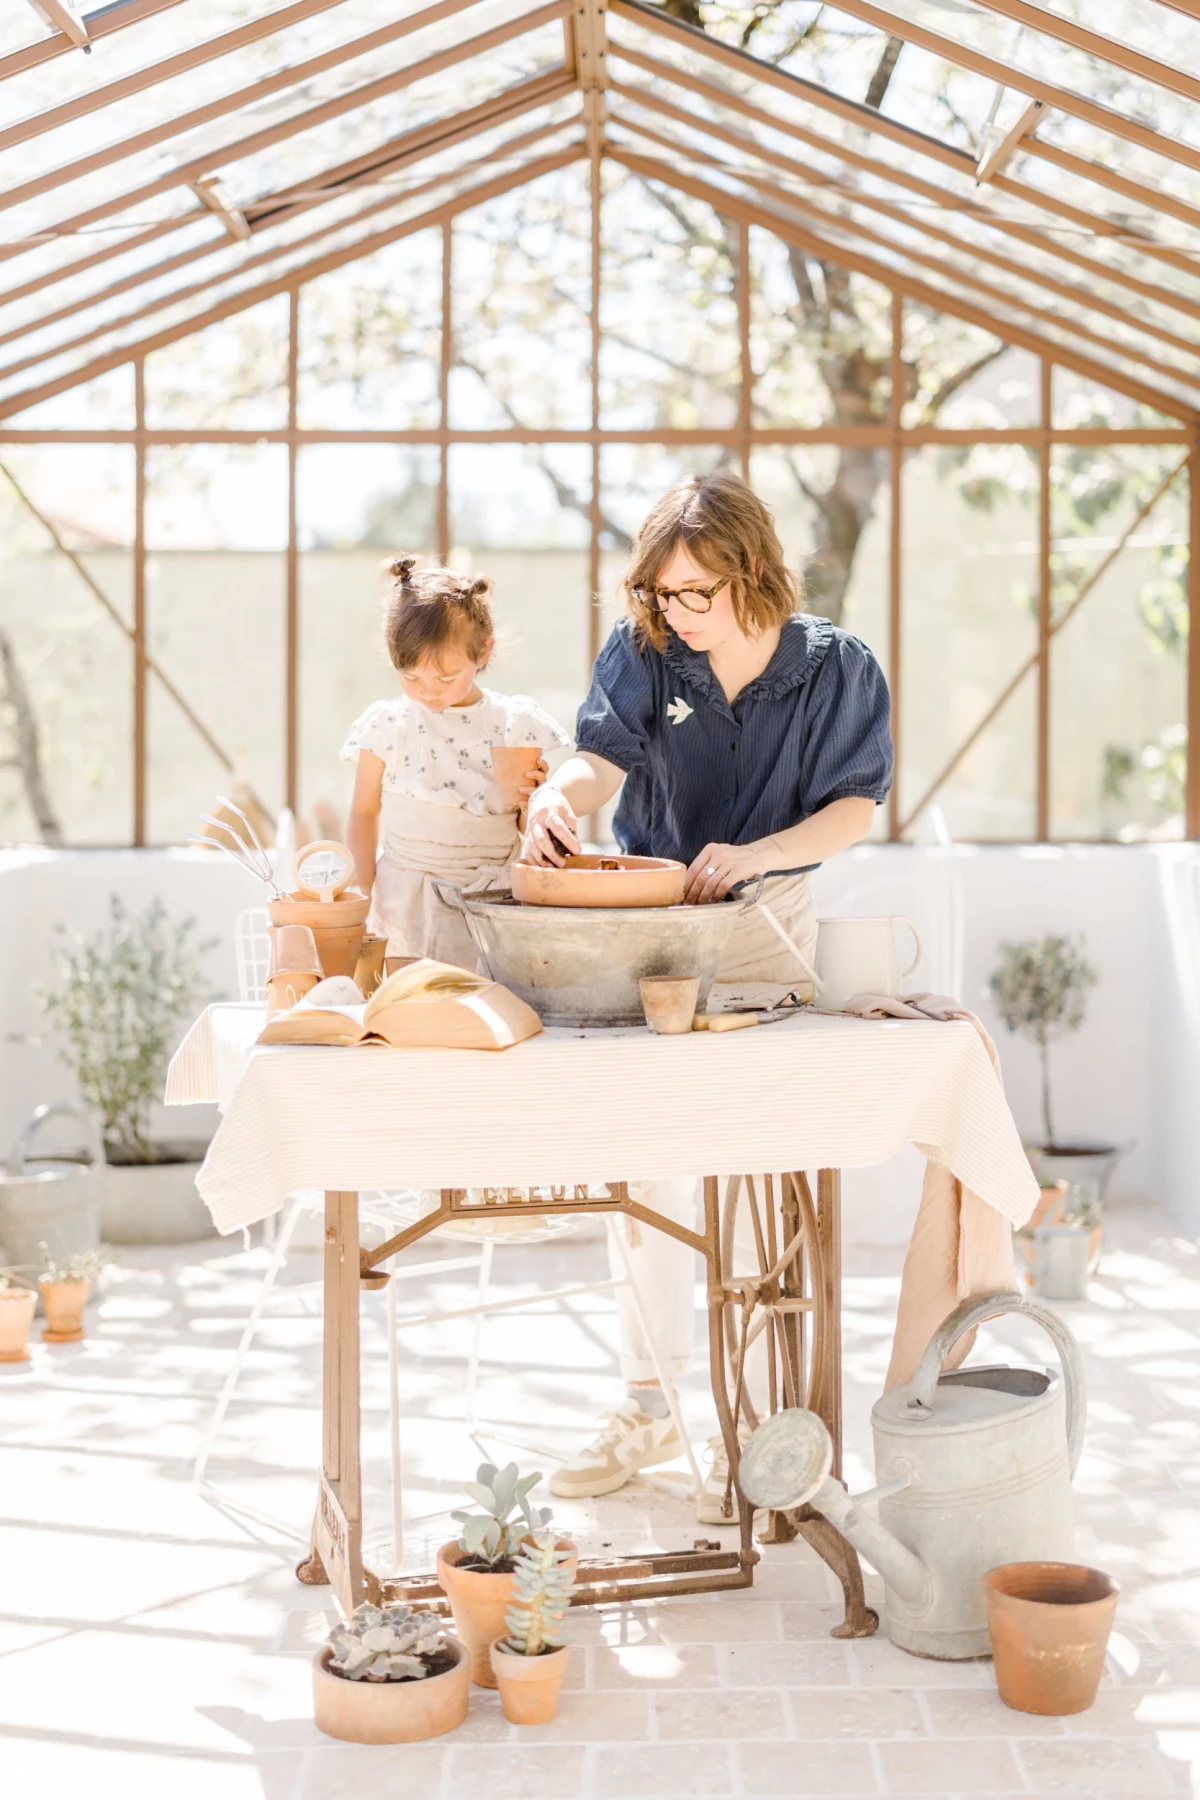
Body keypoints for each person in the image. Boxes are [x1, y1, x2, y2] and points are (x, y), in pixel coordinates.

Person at [521, 470, 893, 1521]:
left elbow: (853, 809)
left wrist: (757, 855)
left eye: (698, 594)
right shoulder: (646, 649)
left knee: (764, 1175)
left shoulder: (839, 669)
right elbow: (600, 762)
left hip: (771, 936)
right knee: (643, 1167)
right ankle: (647, 1405)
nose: (679, 614)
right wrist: (558, 793)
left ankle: (769, 1426)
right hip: (652, 941)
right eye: (665, 595)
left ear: (756, 573)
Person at [343, 557, 570, 969]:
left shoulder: (514, 724)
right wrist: (361, 891)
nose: (428, 691)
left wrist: (533, 801)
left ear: (483, 652)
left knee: (483, 1012)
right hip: (403, 901)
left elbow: (523, 828)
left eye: (446, 678)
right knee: (408, 1011)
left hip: (489, 903)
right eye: (410, 677)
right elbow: (362, 811)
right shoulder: (387, 724)